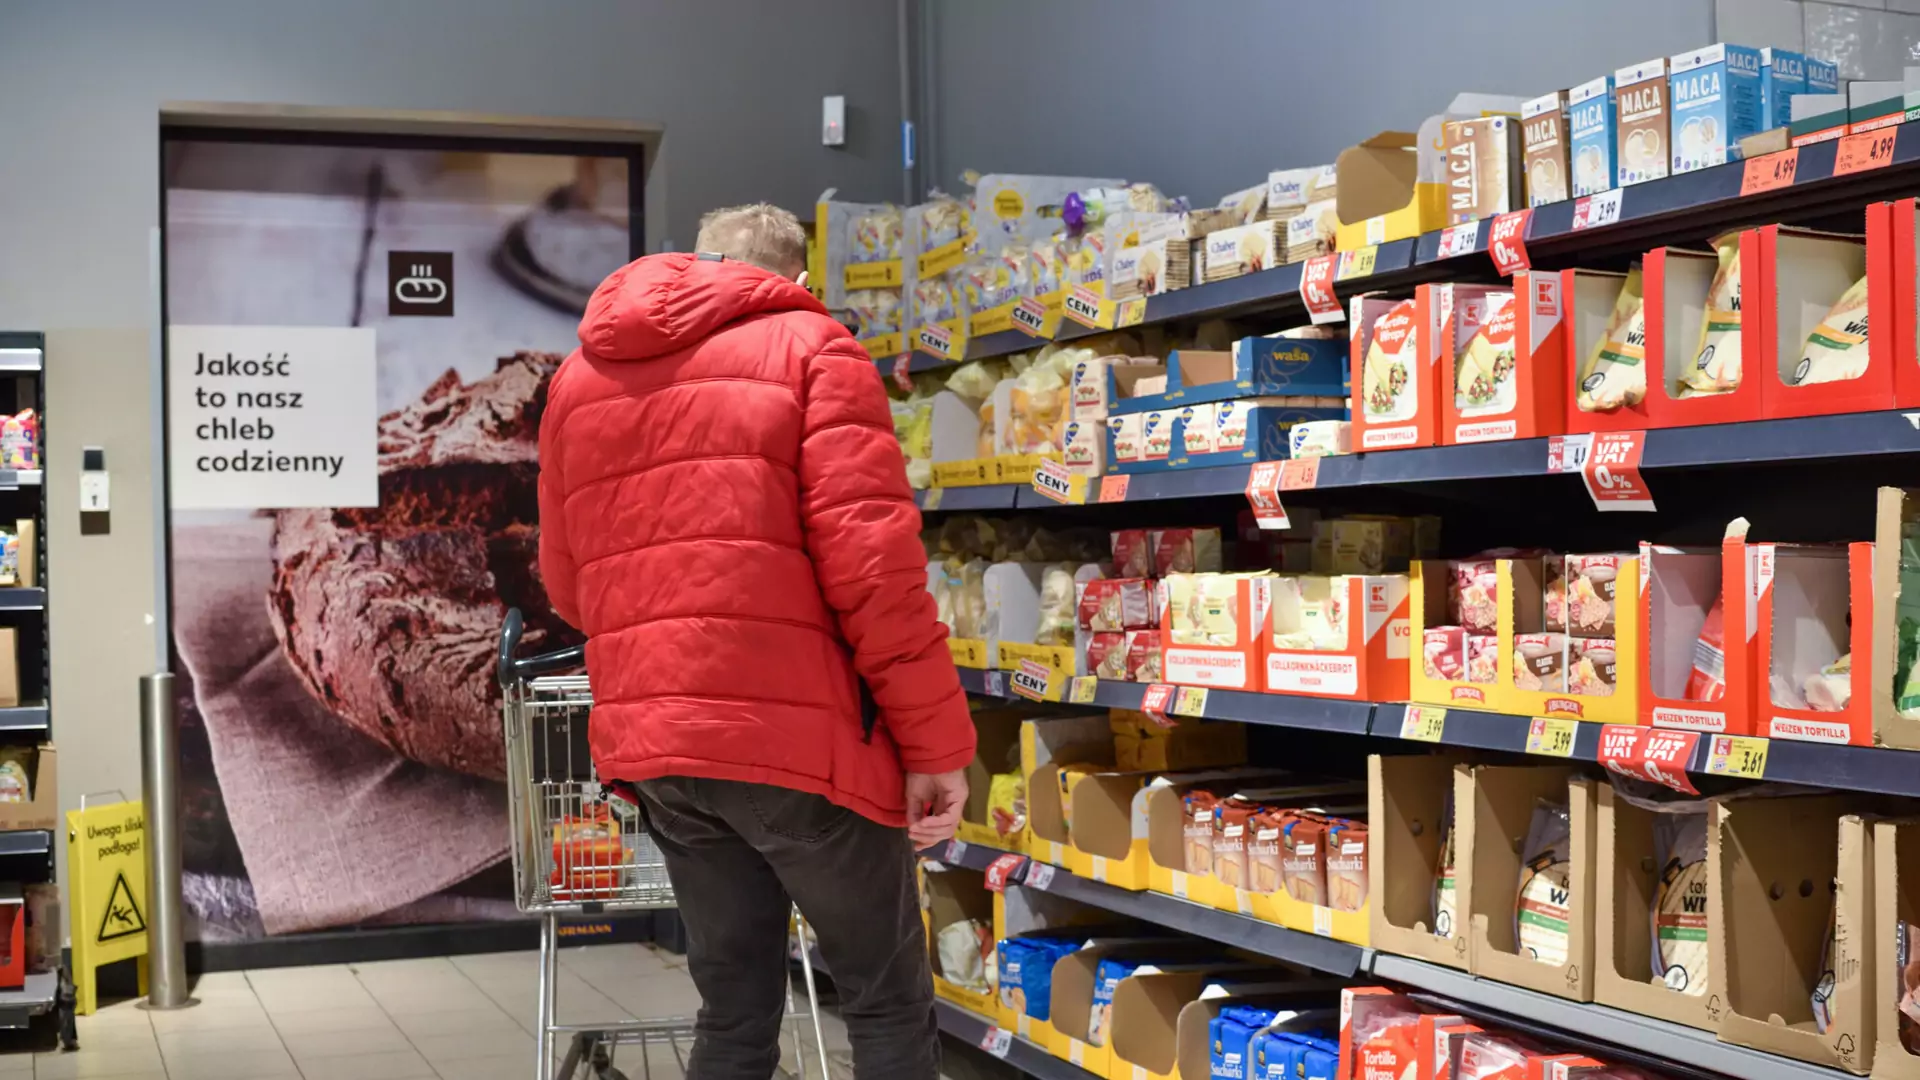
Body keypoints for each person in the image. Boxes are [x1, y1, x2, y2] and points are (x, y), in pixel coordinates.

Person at [537, 202, 976, 1079]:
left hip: (659, 751)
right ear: (794, 281)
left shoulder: (579, 379)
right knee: (884, 1000)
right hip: (800, 752)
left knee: (733, 1012)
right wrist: (937, 747)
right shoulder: (815, 350)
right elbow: (876, 578)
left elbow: (568, 587)